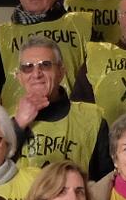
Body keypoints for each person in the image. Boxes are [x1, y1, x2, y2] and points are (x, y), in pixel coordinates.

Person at [0, 0, 94, 108]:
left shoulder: (81, 25)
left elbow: (99, 76)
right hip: (18, 124)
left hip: (72, 121)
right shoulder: (1, 35)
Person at [10, 38, 110, 178]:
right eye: (28, 67)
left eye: (45, 65)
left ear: (61, 72)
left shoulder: (92, 118)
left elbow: (106, 181)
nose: (36, 74)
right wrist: (17, 127)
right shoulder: (2, 121)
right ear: (20, 77)